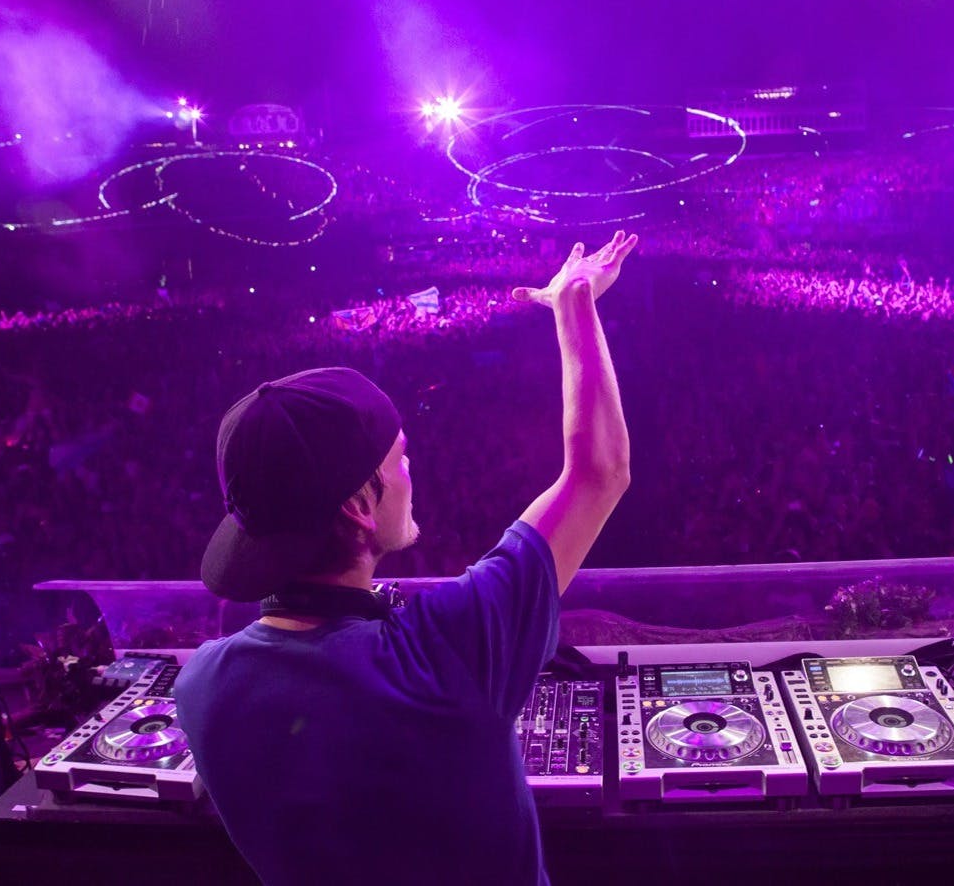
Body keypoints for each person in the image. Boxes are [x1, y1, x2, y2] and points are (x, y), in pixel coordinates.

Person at [176, 231, 638, 885]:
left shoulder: (200, 685)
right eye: (399, 458)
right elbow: (599, 471)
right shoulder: (448, 650)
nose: (411, 469)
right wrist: (574, 304)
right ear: (360, 507)